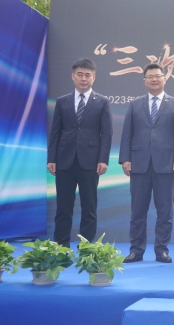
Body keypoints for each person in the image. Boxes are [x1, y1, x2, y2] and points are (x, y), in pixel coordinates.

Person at [119, 63, 174, 263]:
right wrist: (125, 159)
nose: (154, 79)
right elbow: (127, 134)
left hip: (167, 165)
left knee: (165, 212)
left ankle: (162, 250)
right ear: (145, 81)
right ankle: (136, 250)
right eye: (150, 77)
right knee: (137, 211)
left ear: (164, 78)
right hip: (139, 164)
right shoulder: (135, 104)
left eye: (158, 76)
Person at [47, 58, 112, 247]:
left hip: (90, 162)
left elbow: (107, 134)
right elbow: (55, 132)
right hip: (64, 161)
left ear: (94, 77)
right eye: (80, 74)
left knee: (89, 208)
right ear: (73, 76)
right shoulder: (62, 101)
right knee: (63, 208)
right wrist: (52, 158)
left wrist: (103, 159)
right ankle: (61, 248)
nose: (83, 78)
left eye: (87, 75)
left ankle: (86, 248)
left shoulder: (102, 102)